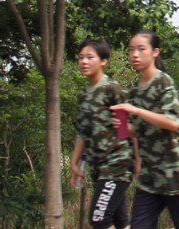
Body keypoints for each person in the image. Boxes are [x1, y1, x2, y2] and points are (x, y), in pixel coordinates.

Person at [110, 30, 179, 229]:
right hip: (150, 177)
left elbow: (173, 123)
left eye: (141, 49)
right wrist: (122, 127)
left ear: (155, 52)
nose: (135, 54)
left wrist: (135, 110)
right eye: (131, 50)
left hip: (176, 173)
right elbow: (140, 130)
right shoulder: (135, 90)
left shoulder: (163, 82)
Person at [71, 39, 134, 229]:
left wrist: (136, 159)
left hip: (117, 164)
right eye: (81, 57)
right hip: (97, 167)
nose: (84, 62)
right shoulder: (84, 95)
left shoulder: (112, 89)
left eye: (90, 57)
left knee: (99, 218)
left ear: (103, 61)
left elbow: (127, 128)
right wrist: (74, 163)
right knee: (120, 221)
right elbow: (82, 132)